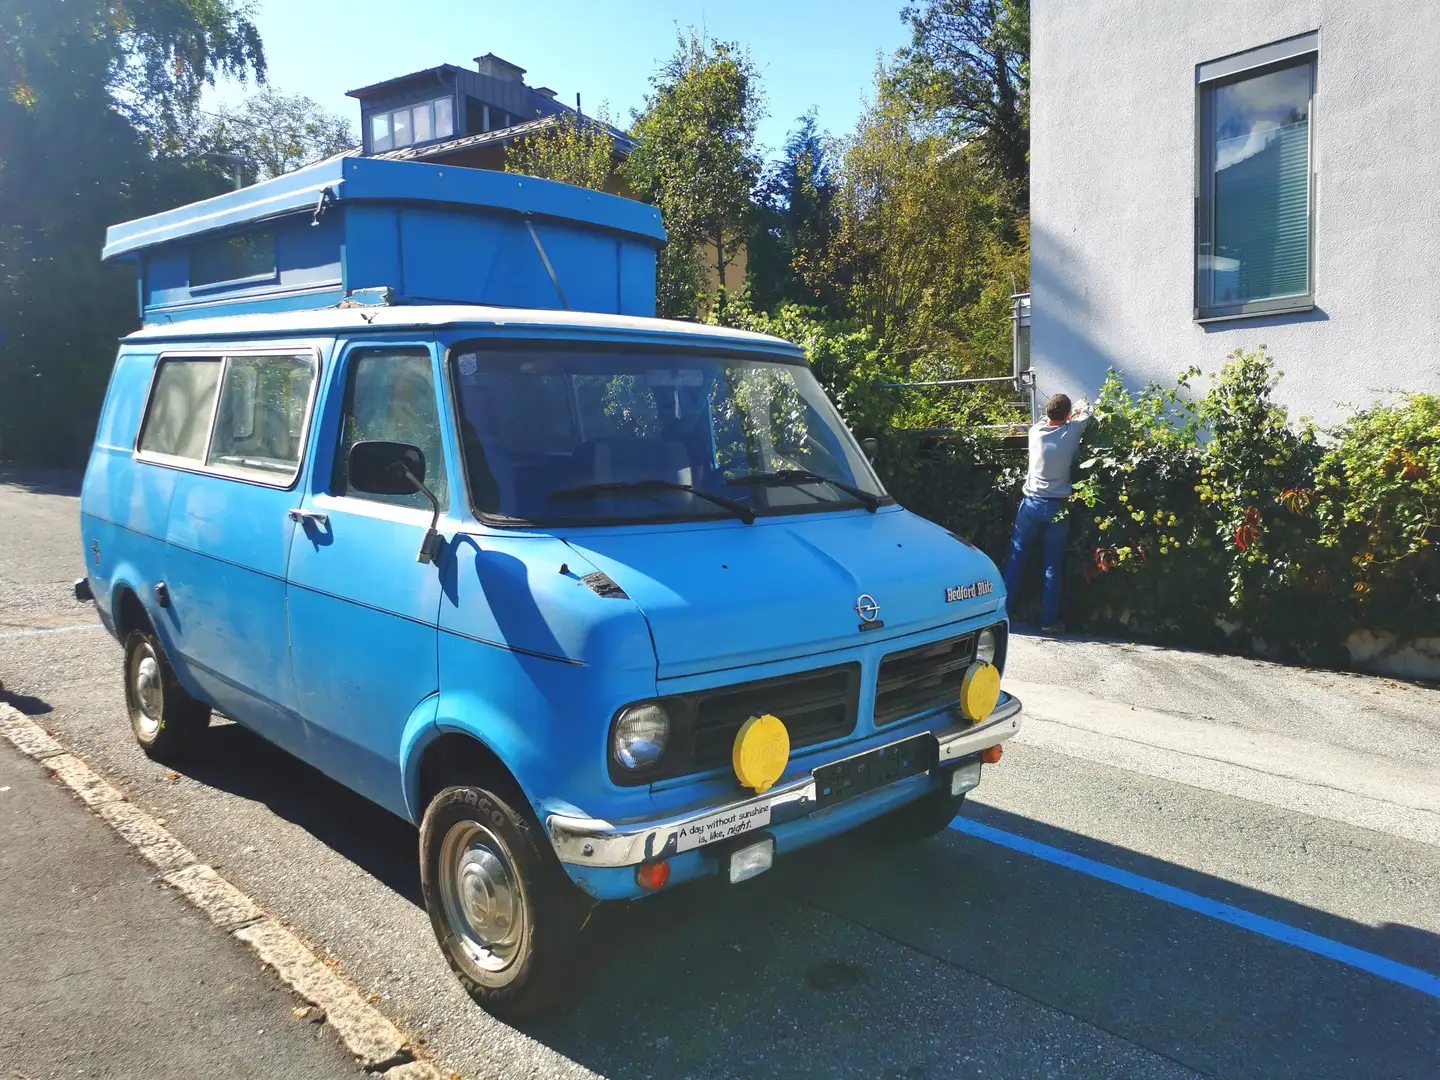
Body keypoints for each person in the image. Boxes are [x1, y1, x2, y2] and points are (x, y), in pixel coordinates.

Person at [1003, 392, 1091, 633]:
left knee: (1016, 558)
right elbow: (1087, 414)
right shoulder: (1071, 433)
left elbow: (1047, 419)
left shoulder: (1035, 432)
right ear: (1067, 415)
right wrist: (1080, 408)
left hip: (1030, 505)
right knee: (1052, 565)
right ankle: (1048, 622)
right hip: (1057, 508)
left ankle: (1001, 613)